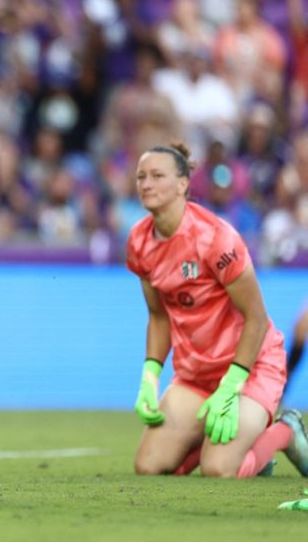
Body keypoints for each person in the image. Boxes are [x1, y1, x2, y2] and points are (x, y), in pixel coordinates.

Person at [126, 142, 308, 478]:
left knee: (220, 469)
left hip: (250, 369)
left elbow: (255, 318)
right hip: (196, 376)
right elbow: (158, 315)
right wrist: (150, 376)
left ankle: (284, 432)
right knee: (149, 466)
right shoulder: (139, 241)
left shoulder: (215, 238)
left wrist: (231, 385)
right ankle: (238, 444)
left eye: (157, 175)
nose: (146, 184)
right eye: (141, 177)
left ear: (183, 184)